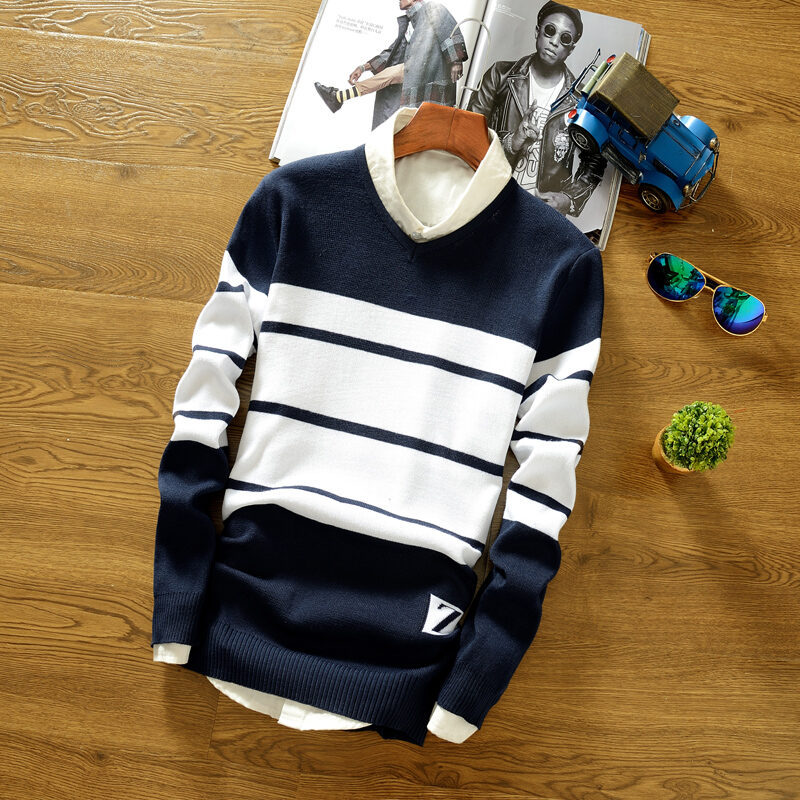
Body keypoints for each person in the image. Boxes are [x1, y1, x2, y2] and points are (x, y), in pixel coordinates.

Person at [467, 1, 605, 217]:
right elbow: (468, 132)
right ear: (537, 31)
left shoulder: (580, 101)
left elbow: (595, 160)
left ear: (571, 48)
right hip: (489, 197)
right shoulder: (500, 74)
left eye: (565, 38)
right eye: (550, 30)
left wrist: (568, 199)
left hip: (540, 214)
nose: (554, 42)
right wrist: (512, 142)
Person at [315, 0, 468, 130]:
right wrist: (363, 67)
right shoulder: (410, 23)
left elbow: (450, 32)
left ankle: (338, 97)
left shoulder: (433, 8)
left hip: (431, 77)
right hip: (414, 78)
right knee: (398, 125)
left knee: (392, 74)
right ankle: (338, 97)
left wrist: (456, 61)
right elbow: (392, 52)